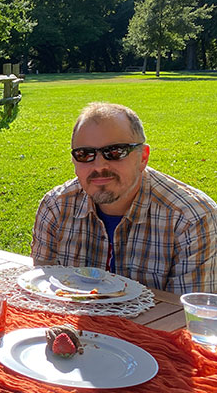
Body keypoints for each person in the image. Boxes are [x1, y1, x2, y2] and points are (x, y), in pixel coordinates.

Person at [31, 102, 217, 294]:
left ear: (143, 157)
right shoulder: (56, 207)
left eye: (115, 152)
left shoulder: (191, 218)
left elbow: (188, 315)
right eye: (85, 154)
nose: (99, 166)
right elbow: (42, 292)